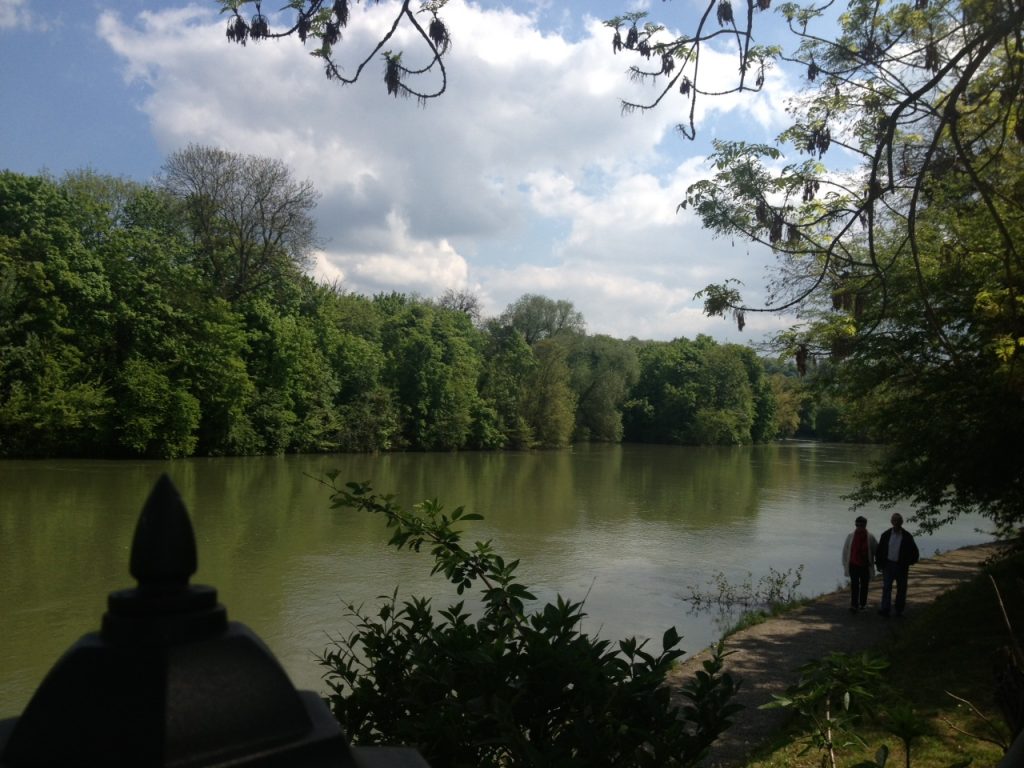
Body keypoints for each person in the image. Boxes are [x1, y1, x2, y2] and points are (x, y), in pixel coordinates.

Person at [875, 512, 920, 617]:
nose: (896, 522)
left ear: (901, 522)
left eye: (898, 521)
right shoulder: (885, 535)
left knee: (901, 588)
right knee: (886, 587)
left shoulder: (907, 536)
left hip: (901, 566)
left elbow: (915, 553)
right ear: (891, 522)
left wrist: (907, 563)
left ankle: (899, 610)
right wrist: (879, 564)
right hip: (888, 565)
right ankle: (885, 609)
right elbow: (880, 551)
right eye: (894, 520)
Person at [842, 516, 878, 613]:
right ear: (855, 524)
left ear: (865, 525)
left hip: (865, 566)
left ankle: (862, 603)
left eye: (861, 525)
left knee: (864, 585)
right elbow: (845, 551)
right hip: (853, 565)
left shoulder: (870, 537)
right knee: (854, 585)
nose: (859, 526)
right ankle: (854, 605)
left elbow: (876, 551)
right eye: (857, 524)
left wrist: (878, 563)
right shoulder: (850, 536)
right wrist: (845, 564)